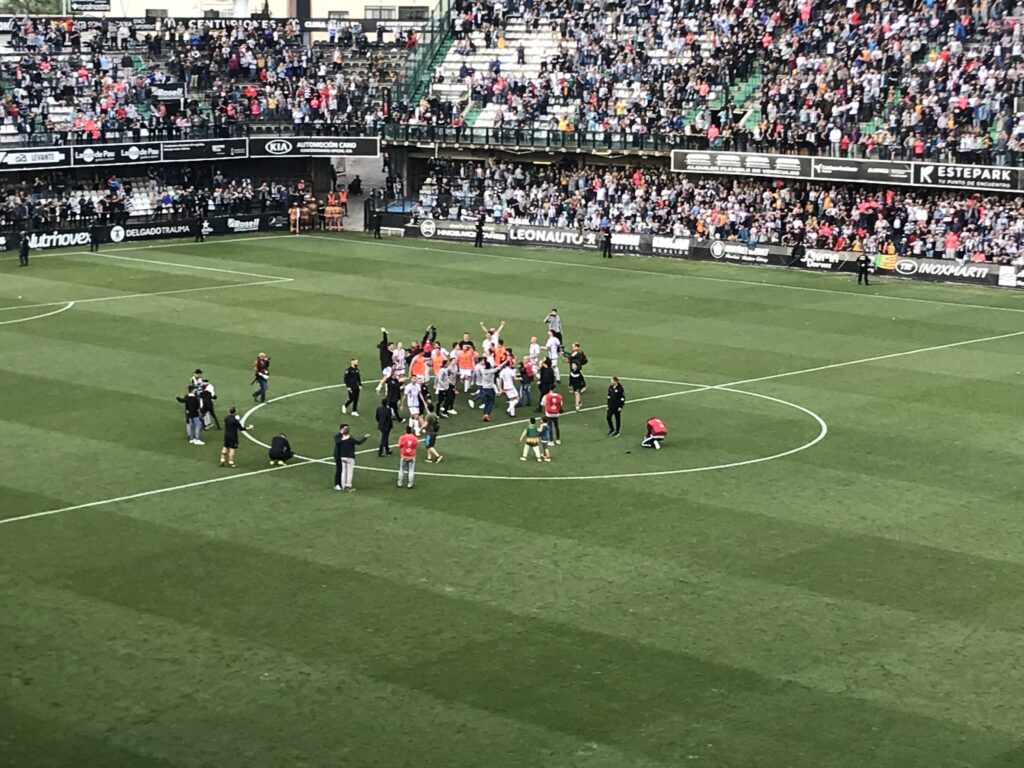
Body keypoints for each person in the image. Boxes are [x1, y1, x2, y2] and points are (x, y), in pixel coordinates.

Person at [334, 424, 369, 491]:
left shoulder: (341, 439)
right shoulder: (350, 439)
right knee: (349, 472)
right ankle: (348, 486)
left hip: (342, 457)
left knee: (343, 472)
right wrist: (364, 438)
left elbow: (339, 442)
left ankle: (343, 485)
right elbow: (359, 442)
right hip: (350, 457)